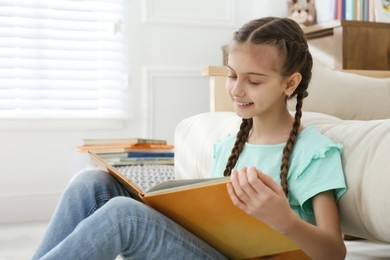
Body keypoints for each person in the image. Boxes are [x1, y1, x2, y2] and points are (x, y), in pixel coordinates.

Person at [33, 17, 347, 260]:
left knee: (122, 216)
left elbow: (335, 252)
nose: (237, 90)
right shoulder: (227, 147)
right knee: (92, 184)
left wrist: (284, 221)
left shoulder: (313, 152)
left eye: (253, 81)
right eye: (232, 75)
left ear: (290, 83)